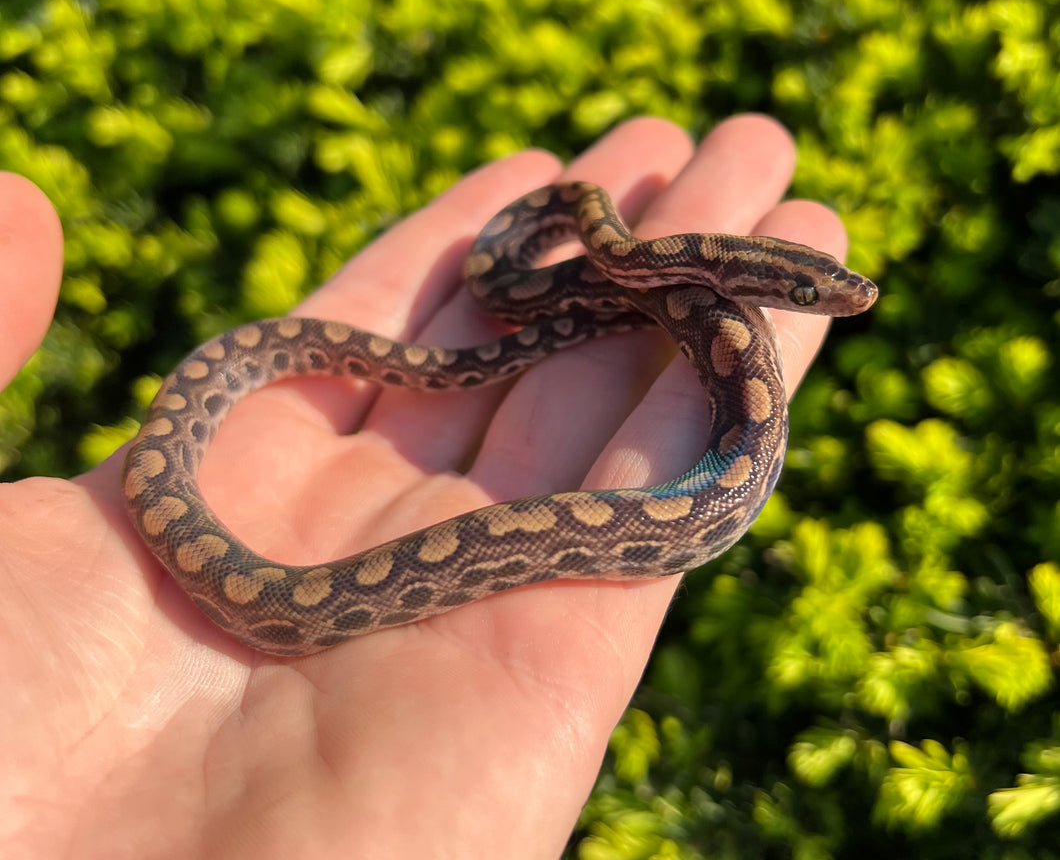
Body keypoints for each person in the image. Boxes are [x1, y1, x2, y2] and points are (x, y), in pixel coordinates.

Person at [0, 115, 851, 858]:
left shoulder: (675, 291)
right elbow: (506, 281)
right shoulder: (598, 260)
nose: (824, 302)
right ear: (750, 279)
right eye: (806, 292)